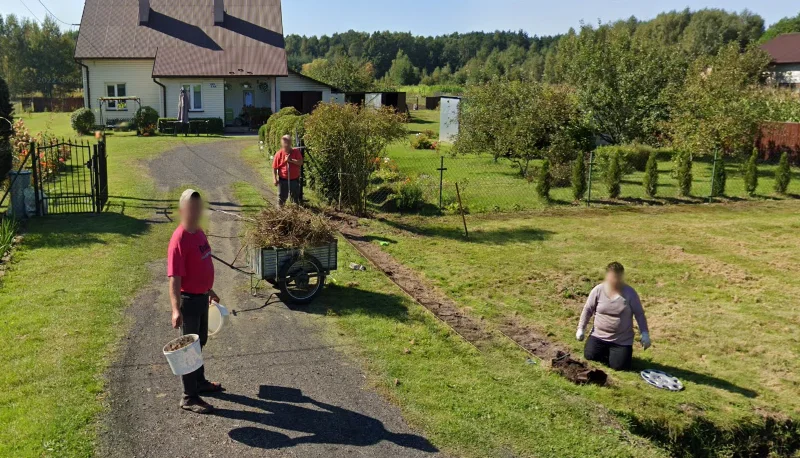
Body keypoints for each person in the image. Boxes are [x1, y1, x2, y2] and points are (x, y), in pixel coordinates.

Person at [167, 189, 224, 414]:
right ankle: (189, 397)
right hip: (188, 301)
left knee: (200, 345)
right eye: (191, 208)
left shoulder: (199, 232)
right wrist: (174, 309)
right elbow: (175, 278)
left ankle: (199, 383)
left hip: (201, 298)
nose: (196, 211)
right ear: (183, 210)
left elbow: (202, 265)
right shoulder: (179, 239)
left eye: (198, 207)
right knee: (188, 351)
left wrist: (210, 291)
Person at [576, 262, 651, 371]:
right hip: (599, 336)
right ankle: (607, 353)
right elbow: (588, 309)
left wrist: (645, 333)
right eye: (613, 277)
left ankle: (618, 355)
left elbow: (639, 314)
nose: (615, 280)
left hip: (621, 341)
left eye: (618, 277)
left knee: (619, 367)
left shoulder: (630, 293)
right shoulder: (598, 290)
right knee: (590, 357)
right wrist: (581, 328)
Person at [273, 135, 303, 206]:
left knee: (294, 198)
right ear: (282, 143)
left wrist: (291, 160)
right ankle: (280, 212)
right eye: (285, 143)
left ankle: (294, 212)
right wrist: (274, 179)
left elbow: (300, 162)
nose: (286, 145)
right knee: (282, 198)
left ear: (290, 143)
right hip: (283, 180)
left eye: (288, 143)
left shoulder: (296, 152)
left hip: (294, 180)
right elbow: (274, 167)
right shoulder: (278, 154)